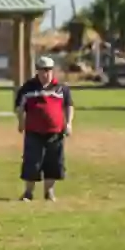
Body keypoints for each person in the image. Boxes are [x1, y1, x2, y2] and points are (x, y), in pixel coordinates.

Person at [14, 56, 74, 202]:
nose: (45, 73)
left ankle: (49, 192)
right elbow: (19, 107)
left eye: (48, 70)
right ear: (37, 71)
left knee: (53, 162)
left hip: (55, 132)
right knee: (32, 162)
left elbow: (69, 106)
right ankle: (28, 193)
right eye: (42, 70)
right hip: (34, 131)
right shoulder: (28, 88)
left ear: (52, 71)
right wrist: (21, 122)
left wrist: (69, 123)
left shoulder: (61, 88)